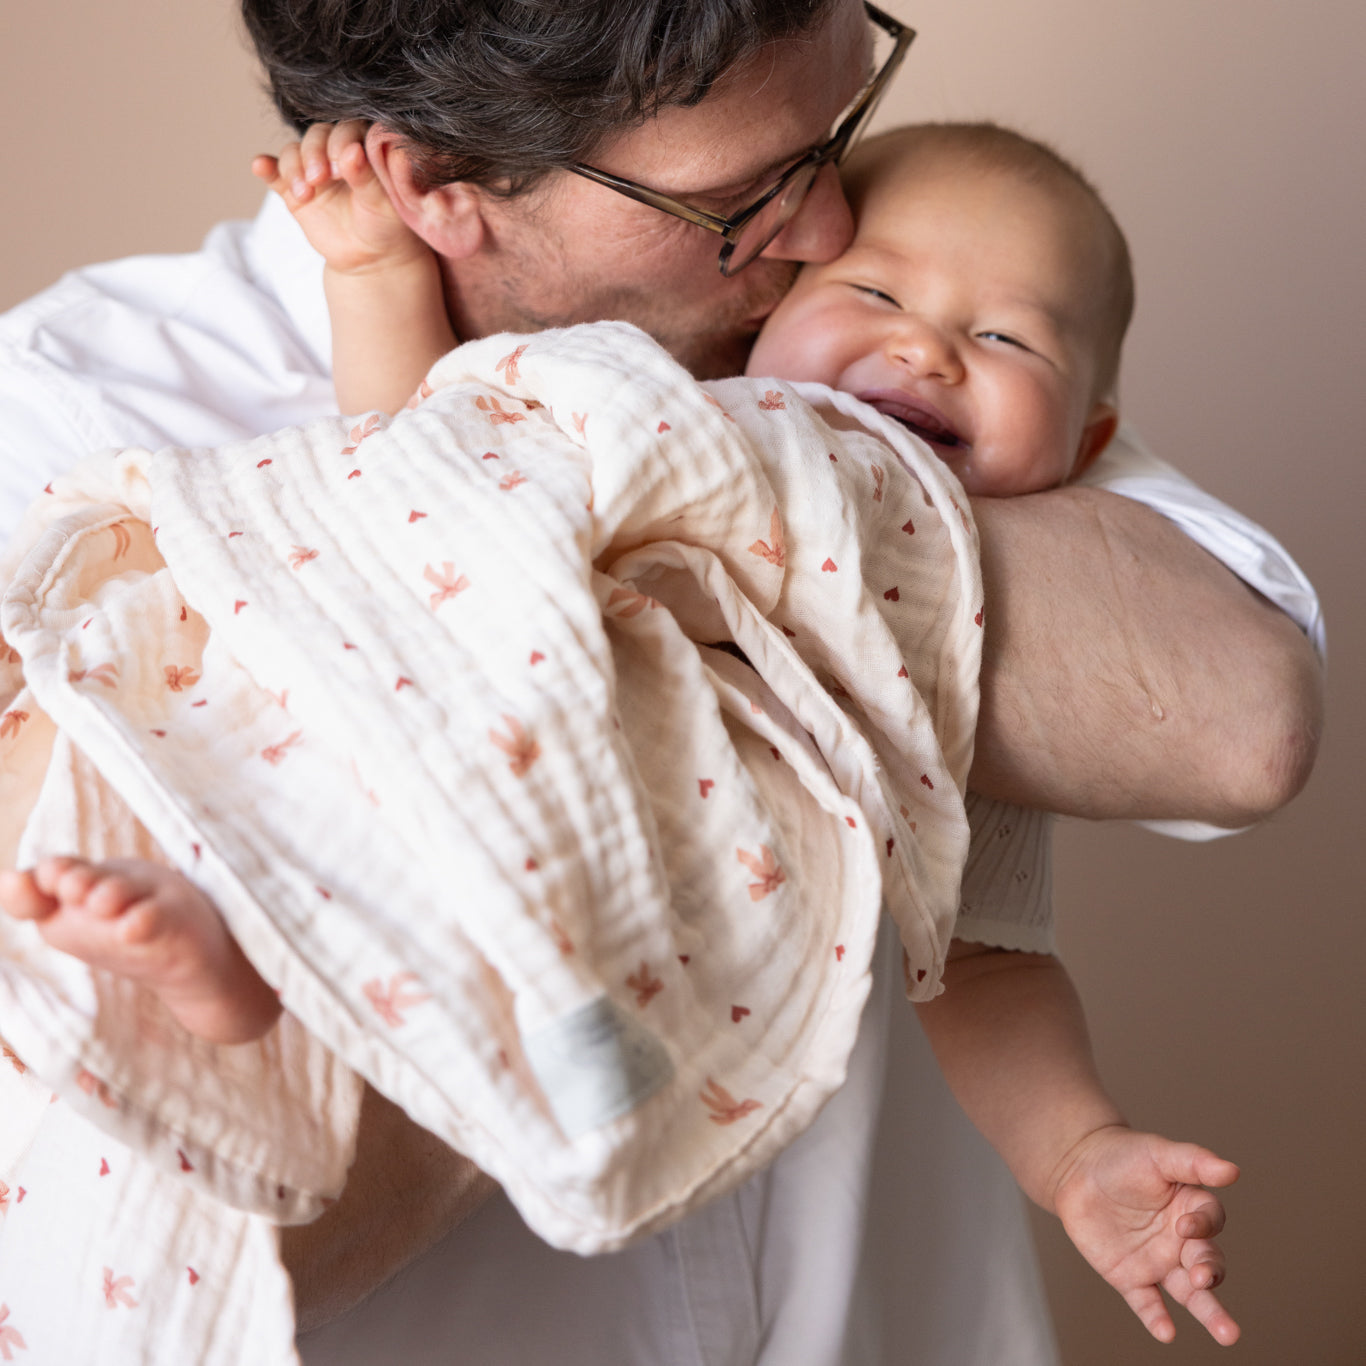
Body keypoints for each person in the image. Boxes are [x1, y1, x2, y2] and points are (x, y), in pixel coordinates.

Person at [0, 2, 1322, 1362]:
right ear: (429, 188)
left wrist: (668, 493)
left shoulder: (877, 338)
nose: (824, 231)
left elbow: (1239, 714)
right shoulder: (59, 430)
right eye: (740, 196)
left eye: (834, 134)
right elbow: (148, 1222)